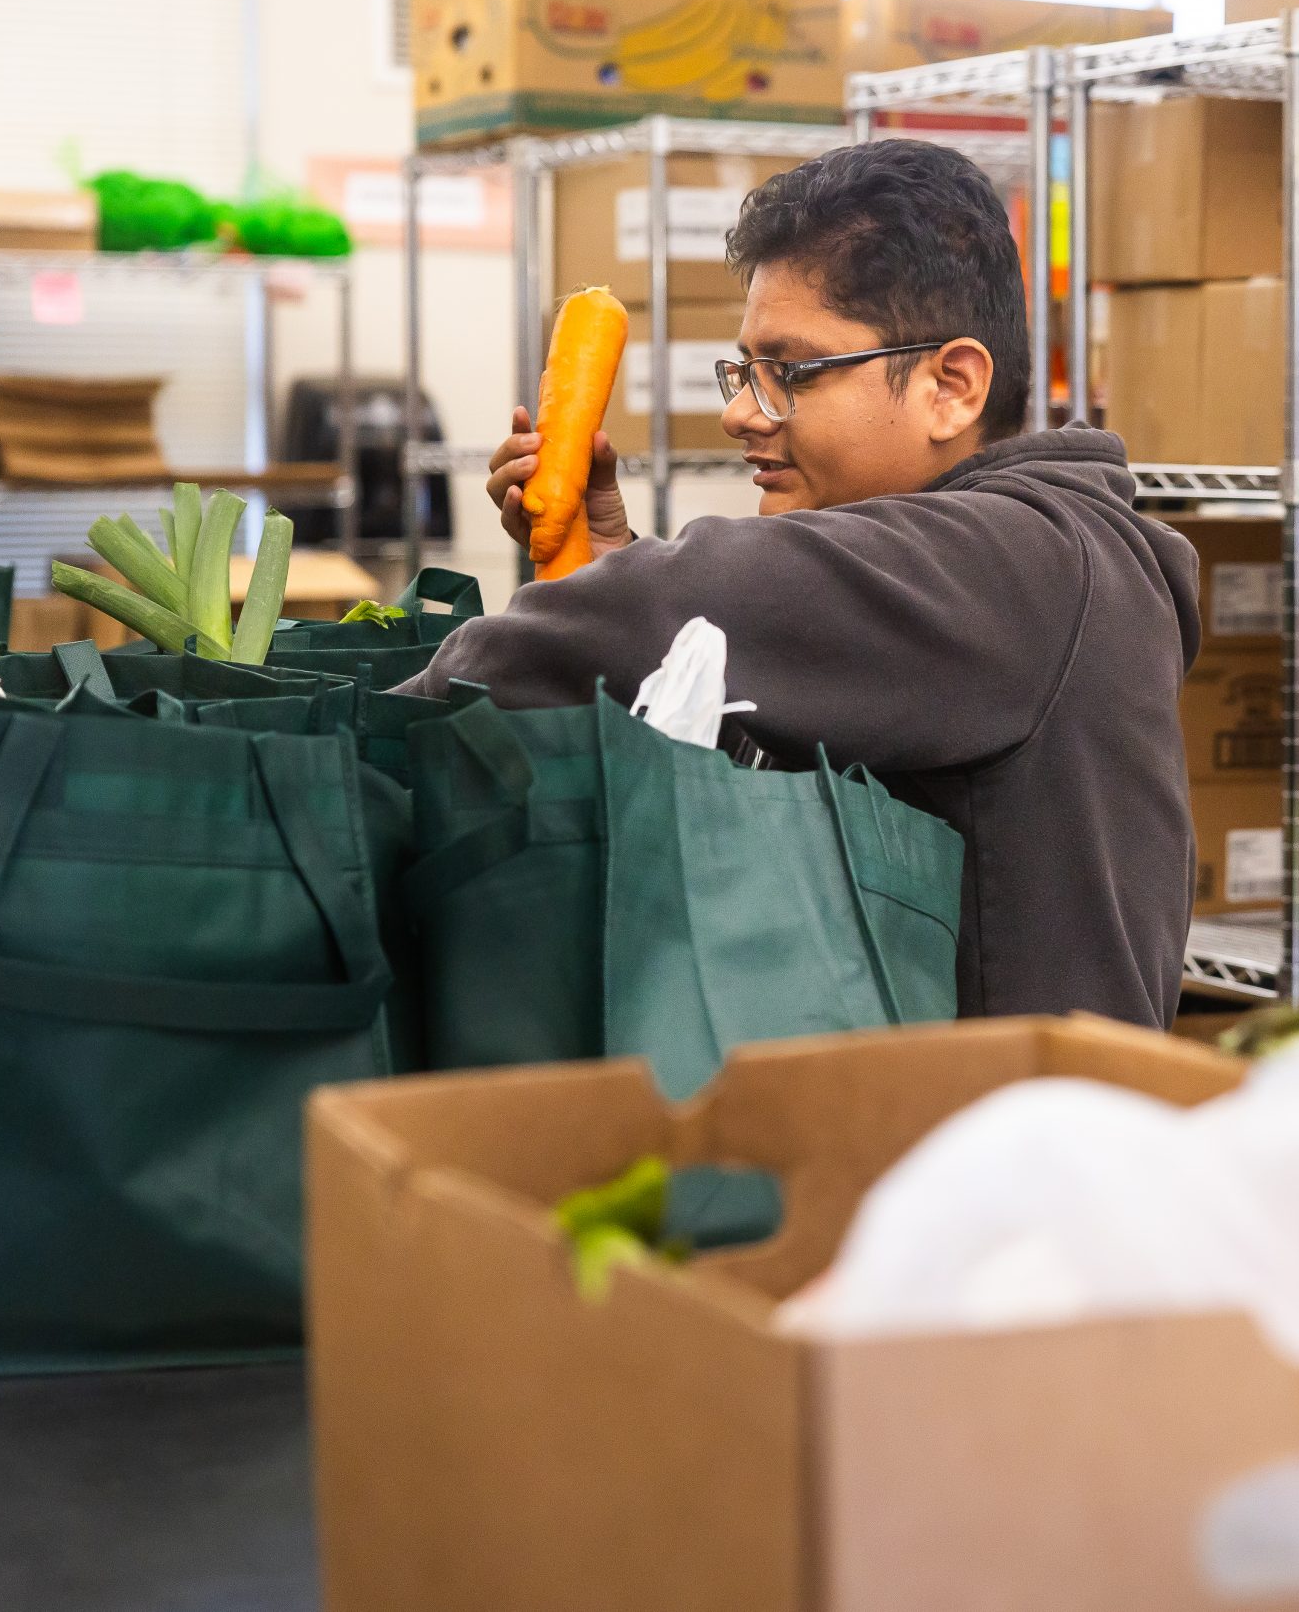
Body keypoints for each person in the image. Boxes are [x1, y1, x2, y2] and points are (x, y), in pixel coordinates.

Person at [400, 138, 1200, 1028]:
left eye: (791, 373)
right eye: (745, 370)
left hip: (1007, 1149)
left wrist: (372, 727)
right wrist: (607, 549)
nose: (743, 411)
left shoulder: (1018, 564)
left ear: (953, 386)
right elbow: (706, 651)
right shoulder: (1012, 562)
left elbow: (665, 604)